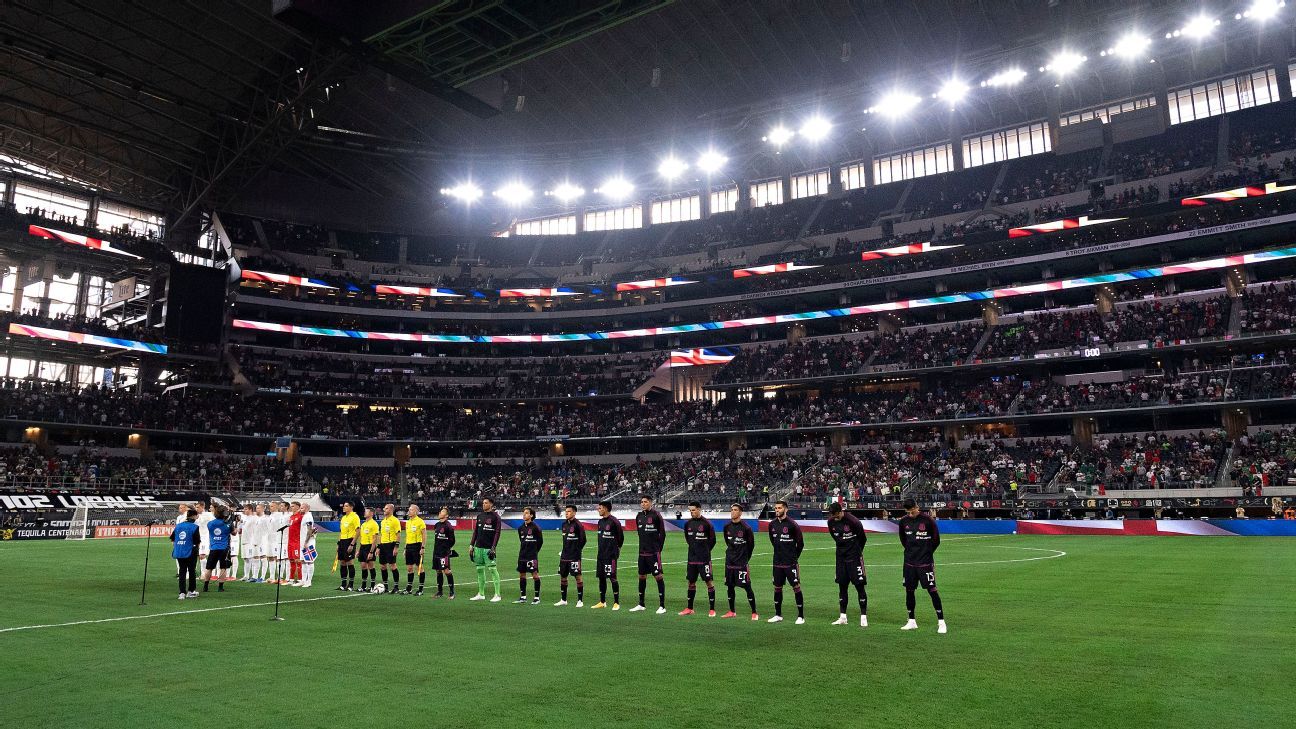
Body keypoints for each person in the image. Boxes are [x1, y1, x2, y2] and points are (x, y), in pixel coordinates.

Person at [898, 498, 946, 633]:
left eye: (912, 511)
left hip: (925, 562)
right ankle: (911, 620)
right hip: (909, 562)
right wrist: (911, 552)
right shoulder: (903, 521)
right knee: (909, 590)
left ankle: (941, 622)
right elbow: (903, 539)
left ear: (916, 507)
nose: (910, 514)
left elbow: (936, 540)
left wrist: (926, 553)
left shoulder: (928, 520)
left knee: (932, 590)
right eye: (908, 512)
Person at [826, 502, 868, 627]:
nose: (835, 518)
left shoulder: (853, 522)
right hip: (840, 558)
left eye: (836, 515)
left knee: (859, 586)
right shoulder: (831, 522)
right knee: (842, 586)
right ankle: (843, 617)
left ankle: (863, 616)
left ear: (841, 511)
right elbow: (835, 537)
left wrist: (856, 552)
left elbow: (863, 539)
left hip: (854, 558)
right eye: (833, 516)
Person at [767, 500, 805, 624]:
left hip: (790, 562)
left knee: (796, 586)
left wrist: (794, 557)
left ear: (786, 509)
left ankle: (801, 616)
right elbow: (773, 541)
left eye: (779, 508)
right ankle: (778, 615)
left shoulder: (792, 524)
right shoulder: (772, 524)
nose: (777, 510)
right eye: (776, 508)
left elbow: (800, 543)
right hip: (777, 562)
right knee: (777, 587)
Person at [630, 496, 667, 614]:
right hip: (642, 553)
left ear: (651, 503)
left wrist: (658, 550)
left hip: (653, 553)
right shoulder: (639, 516)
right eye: (641, 502)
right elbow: (639, 533)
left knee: (658, 576)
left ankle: (662, 606)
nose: (643, 504)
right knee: (641, 577)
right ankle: (641, 604)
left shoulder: (656, 515)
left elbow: (663, 534)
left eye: (645, 502)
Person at [680, 501, 717, 617]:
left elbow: (713, 541)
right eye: (690, 510)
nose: (692, 512)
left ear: (699, 509)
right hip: (691, 559)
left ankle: (712, 609)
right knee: (691, 583)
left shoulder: (707, 524)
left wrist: (704, 551)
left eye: (694, 510)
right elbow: (687, 539)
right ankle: (690, 608)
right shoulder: (688, 524)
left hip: (704, 559)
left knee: (708, 582)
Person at [722, 504, 758, 620]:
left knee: (747, 586)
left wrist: (745, 558)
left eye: (735, 510)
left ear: (740, 513)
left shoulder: (746, 528)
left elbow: (751, 545)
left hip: (741, 562)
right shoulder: (727, 526)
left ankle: (754, 612)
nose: (733, 512)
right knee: (730, 587)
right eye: (731, 510)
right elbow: (728, 543)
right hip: (729, 562)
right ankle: (732, 611)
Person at [470, 497, 504, 602]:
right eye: (483, 503)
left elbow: (497, 533)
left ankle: (497, 595)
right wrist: (471, 545)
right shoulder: (480, 516)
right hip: (478, 547)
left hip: (489, 548)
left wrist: (493, 547)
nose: (483, 504)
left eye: (486, 503)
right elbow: (476, 531)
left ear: (491, 504)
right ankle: (481, 594)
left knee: (493, 569)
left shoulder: (496, 517)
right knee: (479, 569)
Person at [591, 500, 623, 610]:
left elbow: (620, 538)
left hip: (610, 555)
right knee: (601, 577)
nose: (598, 510)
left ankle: (616, 602)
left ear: (605, 508)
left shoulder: (614, 521)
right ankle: (602, 601)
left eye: (600, 508)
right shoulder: (600, 522)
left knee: (612, 577)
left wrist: (616, 551)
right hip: (601, 555)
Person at [555, 505, 585, 607]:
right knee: (563, 577)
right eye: (566, 511)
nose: (566, 513)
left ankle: (580, 601)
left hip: (574, 556)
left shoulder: (578, 525)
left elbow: (583, 540)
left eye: (569, 511)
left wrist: (576, 551)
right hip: (564, 556)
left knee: (578, 577)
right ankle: (563, 600)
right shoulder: (564, 524)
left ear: (574, 513)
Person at [515, 506, 544, 604]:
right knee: (522, 575)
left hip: (532, 556)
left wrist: (534, 552)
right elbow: (521, 541)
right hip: (522, 555)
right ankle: (523, 597)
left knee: (535, 575)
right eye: (524, 512)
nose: (524, 514)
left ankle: (537, 598)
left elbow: (540, 542)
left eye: (527, 513)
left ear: (531, 515)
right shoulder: (520, 528)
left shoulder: (536, 528)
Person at [201, 505, 233, 592]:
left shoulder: (210, 523)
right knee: (223, 567)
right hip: (224, 548)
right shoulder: (227, 524)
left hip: (213, 547)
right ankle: (220, 587)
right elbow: (233, 533)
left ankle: (206, 586)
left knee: (209, 568)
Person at [171, 509, 200, 600]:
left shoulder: (178, 526)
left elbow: (172, 538)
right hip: (190, 551)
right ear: (194, 516)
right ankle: (191, 591)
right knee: (191, 571)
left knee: (182, 571)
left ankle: (182, 593)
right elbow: (197, 541)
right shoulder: (195, 527)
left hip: (180, 551)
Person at [430, 507, 457, 599]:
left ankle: (452, 592)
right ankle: (440, 592)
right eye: (440, 511)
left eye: (442, 511)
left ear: (446, 515)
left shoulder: (448, 526)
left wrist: (446, 549)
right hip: (436, 552)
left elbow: (452, 540)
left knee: (447, 571)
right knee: (438, 571)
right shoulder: (437, 525)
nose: (440, 512)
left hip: (444, 553)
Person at [402, 504, 427, 595]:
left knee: (419, 567)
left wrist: (423, 547)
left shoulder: (420, 522)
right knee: (409, 568)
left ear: (416, 511)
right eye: (409, 509)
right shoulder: (408, 522)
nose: (409, 511)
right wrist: (405, 548)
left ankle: (421, 589)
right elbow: (407, 536)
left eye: (411, 510)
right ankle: (409, 588)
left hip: (417, 546)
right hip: (409, 546)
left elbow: (424, 535)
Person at [336, 502, 360, 591]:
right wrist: (338, 543)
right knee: (342, 562)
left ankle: (351, 585)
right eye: (344, 506)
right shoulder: (343, 518)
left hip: (350, 541)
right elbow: (341, 531)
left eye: (346, 506)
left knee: (350, 562)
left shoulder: (355, 517)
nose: (344, 507)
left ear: (351, 507)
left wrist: (352, 544)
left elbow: (358, 531)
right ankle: (343, 584)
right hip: (342, 541)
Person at [378, 503, 402, 594]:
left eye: (386, 508)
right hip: (383, 545)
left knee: (392, 566)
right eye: (384, 508)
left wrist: (396, 547)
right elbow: (381, 535)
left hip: (391, 545)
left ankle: (396, 587)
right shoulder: (383, 521)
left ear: (391, 510)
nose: (384, 509)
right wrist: (379, 547)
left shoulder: (395, 520)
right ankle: (385, 587)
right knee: (383, 566)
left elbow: (398, 534)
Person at [357, 507, 379, 592]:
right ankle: (363, 586)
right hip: (363, 546)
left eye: (366, 511)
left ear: (371, 513)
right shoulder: (363, 524)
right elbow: (361, 538)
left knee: (371, 566)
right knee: (363, 566)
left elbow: (375, 539)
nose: (364, 513)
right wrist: (359, 550)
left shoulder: (374, 524)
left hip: (370, 547)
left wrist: (371, 551)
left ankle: (372, 586)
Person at [298, 504, 317, 588]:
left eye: (302, 508)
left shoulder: (308, 516)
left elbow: (310, 530)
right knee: (303, 561)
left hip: (308, 542)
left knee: (309, 561)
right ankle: (303, 580)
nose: (300, 509)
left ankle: (309, 581)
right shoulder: (305, 516)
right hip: (303, 541)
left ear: (307, 508)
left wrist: (306, 542)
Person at [238, 506, 259, 582]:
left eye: (246, 509)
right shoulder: (244, 518)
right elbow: (240, 529)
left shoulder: (254, 518)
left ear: (250, 510)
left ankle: (254, 576)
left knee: (252, 558)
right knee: (246, 559)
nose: (244, 510)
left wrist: (255, 540)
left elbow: (257, 530)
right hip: (244, 540)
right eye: (244, 509)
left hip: (251, 541)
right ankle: (246, 576)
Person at [287, 501, 305, 586]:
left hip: (297, 542)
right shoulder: (291, 517)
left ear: (298, 507)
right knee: (291, 561)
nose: (291, 508)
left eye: (293, 506)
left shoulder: (301, 517)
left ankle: (301, 580)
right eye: (291, 506)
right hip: (290, 542)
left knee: (298, 561)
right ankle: (291, 579)